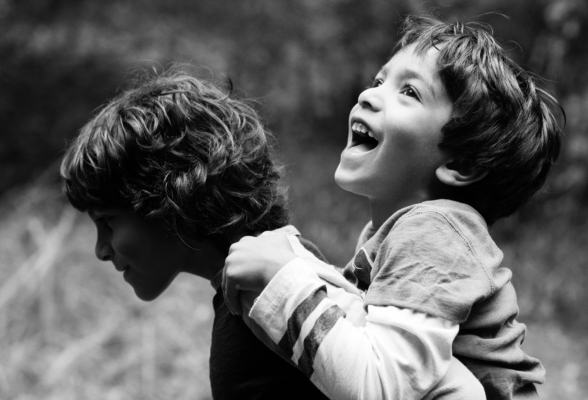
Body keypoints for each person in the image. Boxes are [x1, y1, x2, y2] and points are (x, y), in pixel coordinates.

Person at [222, 14, 564, 400]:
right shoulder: (398, 232)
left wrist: (282, 277)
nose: (369, 94)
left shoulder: (435, 232)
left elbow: (379, 387)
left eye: (410, 93)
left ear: (460, 165)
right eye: (380, 81)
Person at [59, 69, 336, 399]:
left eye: (108, 222)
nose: (101, 250)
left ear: (172, 197)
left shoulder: (271, 296)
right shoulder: (264, 284)